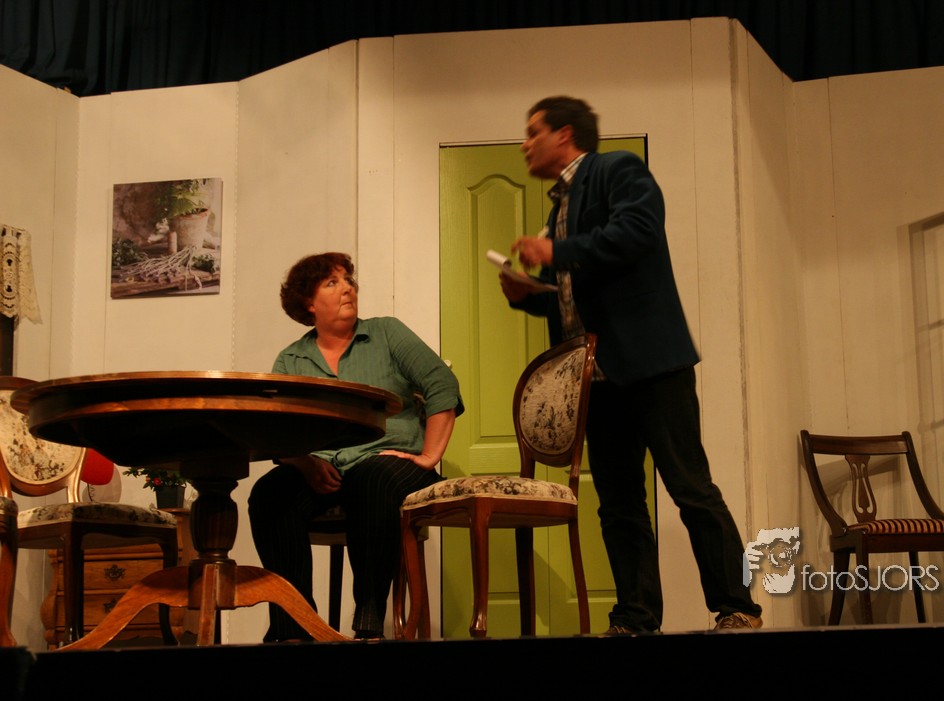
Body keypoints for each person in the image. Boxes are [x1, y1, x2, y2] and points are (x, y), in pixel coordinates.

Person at [501, 96, 762, 632]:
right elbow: (572, 297)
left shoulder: (617, 170)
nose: (524, 145)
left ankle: (738, 607)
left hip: (652, 365)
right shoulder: (558, 208)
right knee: (619, 504)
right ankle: (636, 617)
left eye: (533, 132)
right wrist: (527, 295)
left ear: (564, 134)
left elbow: (638, 233)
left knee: (691, 489)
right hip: (596, 378)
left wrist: (556, 252)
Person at [249, 252, 463, 641]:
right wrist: (307, 465)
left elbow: (442, 384)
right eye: (332, 282)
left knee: (372, 478)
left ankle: (368, 619)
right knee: (268, 494)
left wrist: (429, 456)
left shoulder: (386, 333)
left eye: (348, 279)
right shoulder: (292, 359)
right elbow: (279, 430)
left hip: (390, 463)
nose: (347, 287)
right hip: (324, 469)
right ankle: (294, 625)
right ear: (308, 302)